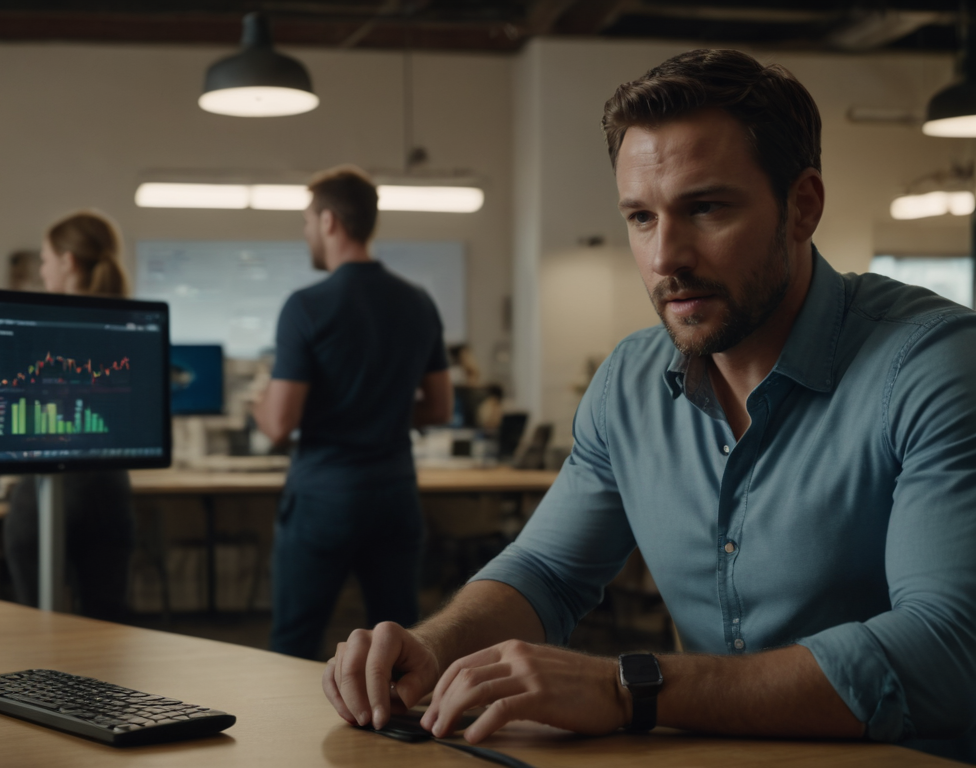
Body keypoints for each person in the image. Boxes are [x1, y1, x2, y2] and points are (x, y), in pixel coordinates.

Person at [322, 49, 976, 762]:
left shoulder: (933, 365)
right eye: (641, 216)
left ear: (803, 206)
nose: (666, 256)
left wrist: (630, 689)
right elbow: (546, 571)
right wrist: (432, 646)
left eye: (706, 208)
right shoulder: (630, 381)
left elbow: (947, 651)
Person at [254, 165, 453, 660]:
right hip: (394, 496)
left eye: (306, 222)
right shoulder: (418, 302)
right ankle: (405, 732)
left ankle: (288, 737)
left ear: (328, 222)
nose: (306, 234)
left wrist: (258, 403)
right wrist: (379, 408)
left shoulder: (306, 307)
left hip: (324, 499)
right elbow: (440, 407)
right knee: (402, 646)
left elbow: (279, 425)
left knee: (295, 642)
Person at [3, 210, 135, 622]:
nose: (42, 272)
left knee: (36, 617)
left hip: (48, 486)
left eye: (44, 260)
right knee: (107, 622)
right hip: (111, 489)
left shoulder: (42, 326)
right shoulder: (131, 327)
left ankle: (41, 687)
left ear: (68, 261)